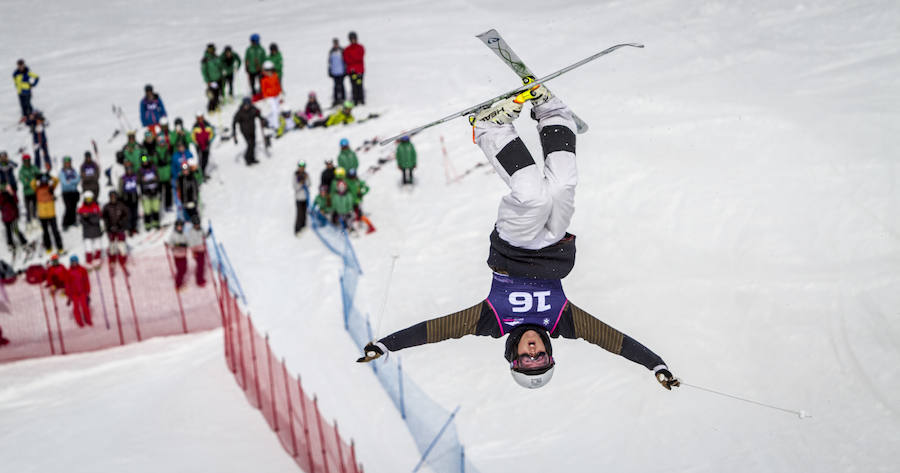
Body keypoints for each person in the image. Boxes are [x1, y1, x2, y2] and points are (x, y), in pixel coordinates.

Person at [356, 86, 681, 391]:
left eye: (526, 359)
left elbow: (435, 330)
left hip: (513, 246)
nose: (532, 351)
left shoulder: (492, 320)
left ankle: (489, 129)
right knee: (562, 185)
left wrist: (385, 345)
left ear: (513, 354)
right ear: (548, 351)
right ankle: (553, 113)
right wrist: (655, 365)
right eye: (540, 357)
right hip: (555, 246)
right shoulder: (563, 321)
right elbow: (614, 340)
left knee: (532, 195)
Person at [32, 172, 63, 255]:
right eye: (42, 180)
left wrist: (50, 177)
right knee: (45, 232)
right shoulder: (37, 189)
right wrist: (37, 178)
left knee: (55, 231)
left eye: (45, 180)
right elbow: (32, 184)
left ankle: (60, 247)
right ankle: (48, 247)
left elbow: (57, 180)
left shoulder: (51, 187)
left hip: (51, 214)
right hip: (42, 215)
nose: (44, 181)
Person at [101, 191, 130, 275]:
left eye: (114, 197)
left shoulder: (121, 205)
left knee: (122, 246)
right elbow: (104, 217)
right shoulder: (107, 207)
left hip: (120, 229)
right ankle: (112, 261)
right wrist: (108, 226)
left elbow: (126, 215)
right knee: (112, 246)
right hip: (111, 230)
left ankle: (123, 261)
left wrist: (121, 223)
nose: (113, 198)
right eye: (111, 197)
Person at [232, 97, 266, 166]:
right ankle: (247, 158)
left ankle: (252, 158)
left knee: (253, 144)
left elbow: (258, 114)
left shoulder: (252, 109)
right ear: (243, 104)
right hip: (245, 131)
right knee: (250, 144)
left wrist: (262, 118)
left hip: (252, 129)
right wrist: (234, 134)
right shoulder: (239, 112)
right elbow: (234, 123)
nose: (247, 106)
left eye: (248, 105)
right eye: (245, 105)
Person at [77, 190, 103, 268]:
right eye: (87, 199)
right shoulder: (81, 208)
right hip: (87, 232)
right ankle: (89, 261)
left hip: (96, 231)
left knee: (98, 246)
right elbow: (81, 221)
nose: (88, 201)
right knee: (88, 248)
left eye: (90, 199)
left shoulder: (96, 207)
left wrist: (88, 217)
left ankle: (97, 259)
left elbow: (98, 218)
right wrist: (88, 218)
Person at [65, 255, 92, 327]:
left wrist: (87, 291)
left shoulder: (82, 270)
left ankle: (88, 320)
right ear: (70, 263)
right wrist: (69, 295)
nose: (74, 263)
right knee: (76, 308)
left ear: (77, 262)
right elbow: (67, 284)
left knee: (85, 307)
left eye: (75, 262)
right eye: (72, 262)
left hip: (82, 292)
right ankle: (79, 321)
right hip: (74, 294)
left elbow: (86, 280)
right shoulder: (68, 272)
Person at [0, 185, 28, 254]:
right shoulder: (1, 196)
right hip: (6, 217)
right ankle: (10, 244)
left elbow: (16, 201)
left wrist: (11, 193)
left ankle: (23, 242)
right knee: (8, 231)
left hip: (13, 216)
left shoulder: (12, 193)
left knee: (16, 229)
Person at [138, 155, 161, 230]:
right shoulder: (140, 170)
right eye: (143, 161)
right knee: (147, 210)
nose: (145, 162)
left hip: (154, 191)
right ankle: (147, 224)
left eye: (146, 160)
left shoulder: (153, 168)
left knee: (155, 208)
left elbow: (158, 178)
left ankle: (156, 222)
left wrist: (155, 179)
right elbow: (138, 181)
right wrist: (142, 180)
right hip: (146, 193)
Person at [343, 31, 365, 105]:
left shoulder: (360, 47)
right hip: (352, 71)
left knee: (359, 84)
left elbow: (360, 57)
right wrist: (353, 60)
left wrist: (352, 59)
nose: (353, 40)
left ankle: (361, 99)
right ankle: (355, 100)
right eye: (351, 39)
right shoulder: (347, 49)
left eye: (354, 38)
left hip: (359, 71)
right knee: (354, 85)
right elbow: (346, 59)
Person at [153, 133, 174, 211]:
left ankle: (168, 205)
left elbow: (170, 160)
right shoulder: (156, 151)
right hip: (159, 174)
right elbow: (153, 161)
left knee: (168, 191)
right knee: (159, 192)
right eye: (160, 142)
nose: (161, 143)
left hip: (167, 173)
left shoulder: (167, 150)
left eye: (162, 142)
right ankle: (159, 206)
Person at [59, 156, 81, 230]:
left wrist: (70, 181)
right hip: (66, 192)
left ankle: (73, 221)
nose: (68, 164)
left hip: (74, 191)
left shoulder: (73, 170)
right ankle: (65, 223)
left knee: (73, 207)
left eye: (69, 162)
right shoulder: (62, 172)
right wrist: (73, 181)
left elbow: (78, 179)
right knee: (68, 207)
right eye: (66, 163)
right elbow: (64, 182)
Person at [118, 161, 140, 235]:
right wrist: (121, 197)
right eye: (128, 169)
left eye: (130, 169)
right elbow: (120, 188)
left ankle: (134, 227)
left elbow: (138, 185)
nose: (129, 170)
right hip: (127, 198)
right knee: (128, 215)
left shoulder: (135, 176)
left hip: (134, 197)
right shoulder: (123, 178)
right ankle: (129, 228)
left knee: (135, 214)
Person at [200, 43, 223, 113]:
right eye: (210, 49)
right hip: (211, 80)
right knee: (212, 94)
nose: (211, 50)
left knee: (218, 93)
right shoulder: (205, 59)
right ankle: (211, 108)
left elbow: (220, 65)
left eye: (212, 49)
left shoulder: (216, 57)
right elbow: (204, 71)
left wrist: (222, 73)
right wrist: (207, 81)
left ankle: (216, 105)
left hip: (218, 78)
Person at [191, 112, 215, 177]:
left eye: (201, 118)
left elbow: (212, 134)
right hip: (199, 146)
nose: (200, 119)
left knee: (206, 159)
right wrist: (196, 143)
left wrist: (209, 140)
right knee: (200, 160)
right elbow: (192, 137)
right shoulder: (195, 126)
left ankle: (203, 173)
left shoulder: (207, 125)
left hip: (206, 145)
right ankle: (200, 174)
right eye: (198, 118)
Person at [166, 219, 189, 289]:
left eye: (181, 226)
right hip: (177, 256)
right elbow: (170, 244)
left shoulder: (184, 234)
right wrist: (176, 245)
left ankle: (180, 279)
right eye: (178, 226)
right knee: (180, 270)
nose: (180, 228)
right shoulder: (173, 235)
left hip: (184, 255)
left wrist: (185, 245)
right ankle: (178, 284)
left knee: (184, 269)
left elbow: (187, 243)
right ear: (176, 227)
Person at [18, 155, 39, 227]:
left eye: (28, 160)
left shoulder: (33, 167)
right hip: (27, 192)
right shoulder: (22, 170)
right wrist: (32, 180)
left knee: (35, 207)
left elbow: (39, 175)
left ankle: (35, 220)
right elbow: (24, 181)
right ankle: (29, 222)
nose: (27, 162)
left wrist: (29, 180)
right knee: (28, 208)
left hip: (34, 191)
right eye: (25, 161)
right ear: (23, 162)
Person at [260, 61, 282, 128]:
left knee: (277, 110)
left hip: (276, 96)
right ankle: (276, 126)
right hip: (269, 97)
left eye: (270, 70)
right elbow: (263, 89)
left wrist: (280, 93)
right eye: (267, 70)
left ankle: (270, 121)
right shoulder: (264, 79)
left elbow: (277, 85)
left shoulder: (275, 76)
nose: (269, 72)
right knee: (274, 110)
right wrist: (266, 97)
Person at [186, 215, 207, 287]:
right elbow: (191, 243)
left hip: (202, 250)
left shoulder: (201, 229)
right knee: (200, 266)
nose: (197, 225)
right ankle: (199, 280)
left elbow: (204, 235)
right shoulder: (191, 232)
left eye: (198, 224)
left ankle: (200, 278)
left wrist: (207, 234)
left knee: (202, 265)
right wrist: (193, 252)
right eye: (196, 224)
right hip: (197, 251)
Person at [327, 38, 346, 107]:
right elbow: (330, 62)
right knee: (335, 86)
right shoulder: (331, 51)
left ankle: (343, 98)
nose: (335, 45)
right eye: (334, 43)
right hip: (334, 72)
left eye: (336, 43)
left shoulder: (341, 50)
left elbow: (345, 61)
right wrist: (329, 70)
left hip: (341, 71)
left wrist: (345, 70)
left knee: (341, 85)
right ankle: (336, 99)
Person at [293, 161, 310, 234]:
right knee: (299, 213)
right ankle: (297, 229)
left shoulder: (306, 174)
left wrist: (305, 180)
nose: (301, 168)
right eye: (300, 167)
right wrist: (300, 183)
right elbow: (295, 186)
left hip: (305, 197)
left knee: (304, 212)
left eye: (303, 167)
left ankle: (303, 225)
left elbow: (309, 183)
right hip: (299, 198)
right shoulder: (295, 175)